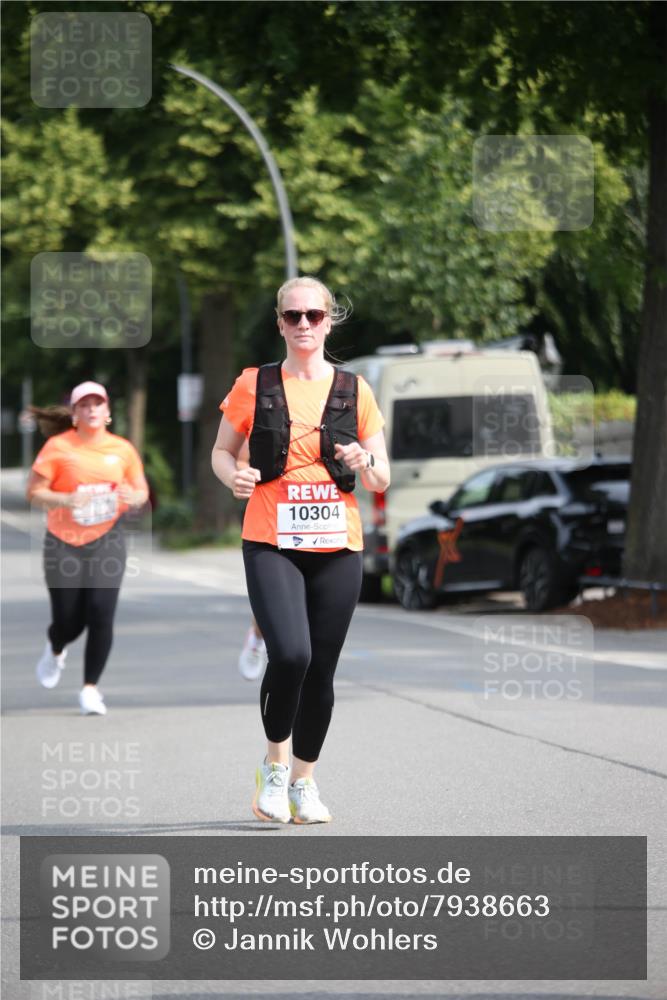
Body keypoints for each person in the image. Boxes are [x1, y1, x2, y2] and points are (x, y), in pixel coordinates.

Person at [212, 276, 390, 824]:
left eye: (314, 315)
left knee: (323, 671)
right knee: (291, 654)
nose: (305, 324)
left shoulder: (355, 390)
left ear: (329, 319)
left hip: (338, 544)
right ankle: (273, 766)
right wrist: (234, 477)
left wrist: (365, 463)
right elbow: (222, 452)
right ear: (280, 323)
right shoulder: (254, 384)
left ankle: (303, 783)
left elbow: (381, 478)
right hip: (271, 539)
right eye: (294, 316)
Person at [26, 382, 149, 715]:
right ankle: (55, 648)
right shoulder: (57, 447)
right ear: (75, 414)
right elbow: (35, 492)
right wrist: (66, 498)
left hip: (107, 538)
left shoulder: (122, 449)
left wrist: (132, 497)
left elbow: (140, 491)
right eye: (84, 405)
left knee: (100, 613)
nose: (92, 409)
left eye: (98, 404)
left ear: (108, 413)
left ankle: (90, 688)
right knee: (68, 620)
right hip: (63, 541)